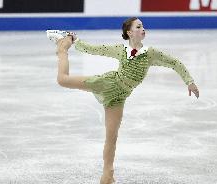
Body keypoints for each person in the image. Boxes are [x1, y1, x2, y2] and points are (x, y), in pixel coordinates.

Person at [46, 17, 199, 184]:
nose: (143, 29)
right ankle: (63, 44)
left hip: (119, 97)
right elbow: (95, 49)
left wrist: (189, 81)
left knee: (111, 137)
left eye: (143, 26)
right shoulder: (121, 49)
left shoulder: (150, 53)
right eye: (138, 26)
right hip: (107, 84)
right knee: (63, 80)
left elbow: (174, 62)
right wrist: (75, 40)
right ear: (129, 32)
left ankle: (108, 174)